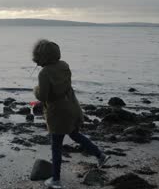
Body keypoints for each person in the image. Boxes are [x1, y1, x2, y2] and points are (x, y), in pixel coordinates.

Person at [32, 39, 110, 189]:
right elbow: (64, 86)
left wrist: (35, 89)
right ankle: (100, 155)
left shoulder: (44, 73)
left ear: (40, 56)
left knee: (56, 146)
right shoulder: (64, 65)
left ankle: (55, 180)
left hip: (57, 113)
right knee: (75, 134)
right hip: (72, 106)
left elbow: (43, 96)